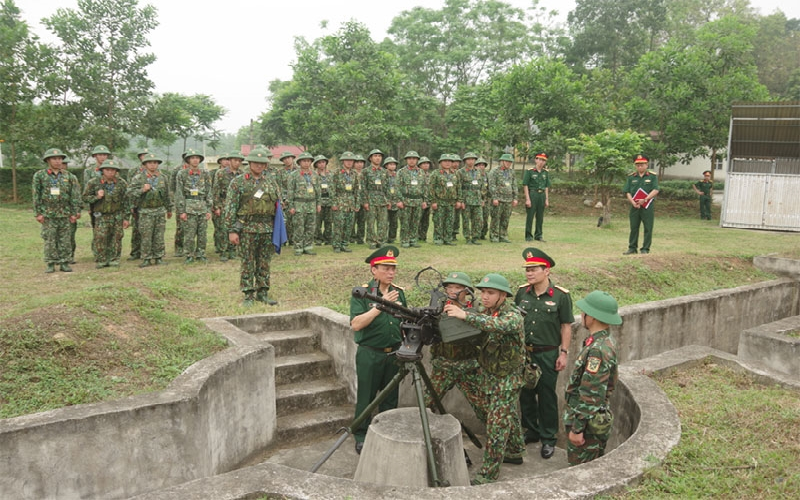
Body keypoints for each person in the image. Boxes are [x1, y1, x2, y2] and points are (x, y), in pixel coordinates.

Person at [444, 273, 526, 485]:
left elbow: (496, 325)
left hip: (508, 380)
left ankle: (488, 475)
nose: (485, 296)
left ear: (503, 296)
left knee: (496, 426)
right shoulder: (485, 310)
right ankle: (515, 450)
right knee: (505, 416)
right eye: (483, 292)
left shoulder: (512, 316)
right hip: (490, 376)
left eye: (491, 293)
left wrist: (465, 316)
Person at [513, 247, 574, 459]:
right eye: (527, 269)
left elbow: (566, 325)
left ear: (546, 270)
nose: (529, 273)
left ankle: (549, 437)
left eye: (534, 269)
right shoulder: (522, 292)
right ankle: (531, 431)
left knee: (547, 395)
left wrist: (563, 352)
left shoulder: (560, 296)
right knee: (526, 393)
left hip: (548, 354)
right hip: (524, 353)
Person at [349, 245, 406, 454]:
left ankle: (387, 432)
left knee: (391, 398)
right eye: (386, 268)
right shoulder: (362, 293)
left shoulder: (399, 293)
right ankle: (361, 434)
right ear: (374, 269)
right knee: (366, 397)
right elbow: (356, 324)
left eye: (393, 269)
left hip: (393, 354)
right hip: (370, 353)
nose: (391, 272)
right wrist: (380, 306)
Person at [564, 290, 621, 466]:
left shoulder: (597, 350)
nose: (581, 315)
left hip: (587, 425)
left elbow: (591, 393)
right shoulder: (601, 342)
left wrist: (577, 428)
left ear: (592, 317)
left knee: (581, 470)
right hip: (590, 419)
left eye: (584, 312)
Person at [224, 148, 282, 306]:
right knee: (247, 262)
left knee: (264, 261)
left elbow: (278, 204)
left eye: (262, 163)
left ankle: (262, 292)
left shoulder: (271, 182)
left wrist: (279, 229)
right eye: (256, 162)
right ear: (249, 163)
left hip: (267, 227)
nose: (259, 165)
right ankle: (248, 294)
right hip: (247, 227)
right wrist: (232, 230)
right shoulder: (238, 182)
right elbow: (230, 207)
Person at [425, 272, 485, 422]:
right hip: (443, 366)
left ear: (467, 290)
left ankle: (497, 442)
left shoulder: (477, 308)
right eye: (449, 287)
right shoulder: (438, 306)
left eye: (457, 287)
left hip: (468, 366)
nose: (452, 291)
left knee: (484, 408)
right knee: (426, 405)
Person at [32, 148, 82, 273]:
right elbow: (36, 195)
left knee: (65, 239)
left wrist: (74, 212)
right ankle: (50, 263)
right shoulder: (40, 176)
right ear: (48, 160)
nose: (58, 161)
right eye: (54, 158)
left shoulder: (70, 176)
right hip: (48, 214)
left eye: (60, 159)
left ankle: (64, 262)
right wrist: (38, 213)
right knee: (50, 239)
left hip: (65, 214)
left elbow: (75, 195)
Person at [82, 160, 130, 268]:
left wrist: (126, 218)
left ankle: (114, 259)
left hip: (117, 214)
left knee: (116, 237)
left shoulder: (122, 183)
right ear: (102, 171)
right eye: (107, 170)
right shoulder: (94, 182)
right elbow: (85, 197)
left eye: (113, 170)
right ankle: (101, 259)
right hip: (101, 215)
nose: (110, 172)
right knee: (100, 237)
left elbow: (127, 201)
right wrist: (96, 197)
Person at [128, 153, 172, 267]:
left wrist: (169, 208)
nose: (153, 165)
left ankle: (158, 257)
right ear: (145, 164)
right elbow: (130, 193)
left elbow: (167, 195)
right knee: (146, 235)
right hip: (145, 211)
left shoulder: (163, 178)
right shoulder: (138, 178)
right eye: (150, 163)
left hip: (159, 210)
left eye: (155, 163)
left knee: (159, 235)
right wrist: (142, 190)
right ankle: (146, 258)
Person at [175, 149, 213, 263]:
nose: (195, 160)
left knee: (202, 233)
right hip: (189, 206)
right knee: (189, 234)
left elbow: (209, 191)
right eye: (192, 158)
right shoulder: (182, 174)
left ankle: (201, 253)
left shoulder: (205, 173)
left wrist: (209, 209)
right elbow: (179, 193)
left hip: (202, 206)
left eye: (197, 158)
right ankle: (189, 255)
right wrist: (182, 211)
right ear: (188, 160)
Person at [286, 151, 321, 255]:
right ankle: (298, 247)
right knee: (299, 227)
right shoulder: (294, 175)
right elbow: (290, 191)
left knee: (310, 227)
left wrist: (318, 204)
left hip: (311, 204)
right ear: (300, 162)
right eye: (304, 161)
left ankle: (308, 246)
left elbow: (318, 191)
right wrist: (291, 206)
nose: (306, 163)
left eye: (308, 161)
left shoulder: (315, 175)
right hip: (299, 204)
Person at [623, 154, 659, 255]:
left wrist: (645, 199)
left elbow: (655, 190)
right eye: (637, 165)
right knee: (634, 227)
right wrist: (633, 202)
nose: (640, 167)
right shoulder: (631, 177)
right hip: (635, 206)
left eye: (642, 164)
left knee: (648, 227)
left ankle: (645, 249)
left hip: (647, 206)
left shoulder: (652, 176)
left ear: (647, 165)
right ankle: (632, 248)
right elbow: (627, 191)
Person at [213, 151, 245, 261]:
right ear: (230, 160)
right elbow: (216, 190)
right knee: (223, 228)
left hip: (238, 205)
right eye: (235, 160)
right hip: (224, 204)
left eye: (239, 161)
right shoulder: (220, 173)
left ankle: (233, 250)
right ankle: (223, 251)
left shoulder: (242, 173)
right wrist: (217, 206)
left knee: (236, 227)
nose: (237, 162)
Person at [397, 151, 427, 248]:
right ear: (406, 160)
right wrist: (399, 200)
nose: (412, 160)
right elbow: (397, 187)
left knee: (416, 221)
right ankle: (404, 240)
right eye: (409, 158)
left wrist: (425, 200)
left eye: (414, 158)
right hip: (406, 200)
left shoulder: (421, 172)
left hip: (418, 201)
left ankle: (413, 239)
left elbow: (425, 187)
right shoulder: (401, 172)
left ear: (417, 160)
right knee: (405, 222)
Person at [429, 154, 461, 246]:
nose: (447, 163)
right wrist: (433, 201)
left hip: (451, 202)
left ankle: (448, 238)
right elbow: (431, 188)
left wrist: (459, 200)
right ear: (440, 162)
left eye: (449, 161)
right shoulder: (435, 173)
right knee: (438, 221)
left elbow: (458, 187)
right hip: (439, 201)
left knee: (450, 221)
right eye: (445, 161)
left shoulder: (455, 173)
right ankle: (438, 238)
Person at [331, 151, 359, 253]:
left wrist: (357, 203)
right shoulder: (336, 173)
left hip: (351, 202)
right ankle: (336, 245)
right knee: (338, 225)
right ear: (343, 161)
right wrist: (334, 203)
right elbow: (332, 189)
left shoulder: (354, 174)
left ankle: (345, 244)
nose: (349, 162)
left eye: (351, 160)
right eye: (347, 160)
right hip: (339, 201)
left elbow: (357, 189)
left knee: (349, 225)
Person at [127, 148, 151, 261]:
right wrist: (131, 205)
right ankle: (135, 251)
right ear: (140, 157)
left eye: (148, 155)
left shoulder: (155, 171)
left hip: (150, 205)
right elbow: (130, 190)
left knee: (150, 230)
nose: (145, 157)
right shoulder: (133, 171)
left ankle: (148, 252)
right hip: (137, 204)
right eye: (143, 155)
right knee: (136, 229)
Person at [362, 149, 389, 249]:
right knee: (371, 222)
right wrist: (365, 201)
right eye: (375, 156)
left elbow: (387, 187)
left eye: (379, 156)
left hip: (382, 199)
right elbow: (363, 187)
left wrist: (388, 200)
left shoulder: (384, 172)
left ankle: (381, 240)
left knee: (383, 222)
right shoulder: (366, 171)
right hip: (371, 199)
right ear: (370, 158)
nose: (378, 158)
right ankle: (372, 241)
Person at [488, 153, 518, 243]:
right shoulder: (494, 171)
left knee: (506, 218)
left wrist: (515, 198)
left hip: (508, 199)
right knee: (496, 218)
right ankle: (494, 236)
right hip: (498, 199)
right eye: (507, 161)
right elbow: (492, 185)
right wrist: (495, 197)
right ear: (502, 161)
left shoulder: (511, 172)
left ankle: (503, 235)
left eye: (510, 162)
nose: (509, 163)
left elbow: (514, 185)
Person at [523, 152, 551, 242]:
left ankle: (538, 235)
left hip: (541, 195)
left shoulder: (545, 172)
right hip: (533, 194)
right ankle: (528, 236)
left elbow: (546, 186)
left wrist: (546, 199)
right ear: (536, 160)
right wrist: (527, 199)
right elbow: (525, 185)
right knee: (530, 216)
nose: (541, 162)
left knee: (540, 216)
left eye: (543, 160)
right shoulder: (529, 171)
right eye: (540, 159)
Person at [456, 152, 484, 245]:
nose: (471, 161)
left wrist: (482, 199)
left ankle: (475, 237)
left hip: (477, 199)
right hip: (466, 199)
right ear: (465, 161)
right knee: (466, 220)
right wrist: (461, 200)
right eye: (468, 159)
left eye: (472, 159)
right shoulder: (460, 172)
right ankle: (467, 237)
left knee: (478, 219)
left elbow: (482, 186)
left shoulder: (478, 171)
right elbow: (458, 187)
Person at [212, 152, 231, 255]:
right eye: (224, 160)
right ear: (220, 161)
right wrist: (215, 206)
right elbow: (214, 190)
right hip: (221, 202)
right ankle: (220, 247)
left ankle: (231, 248)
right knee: (220, 228)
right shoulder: (216, 173)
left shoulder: (238, 173)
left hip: (232, 203)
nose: (226, 162)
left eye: (228, 160)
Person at [277, 151, 297, 245]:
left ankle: (293, 240)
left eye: (289, 158)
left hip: (296, 199)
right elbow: (278, 187)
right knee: (284, 221)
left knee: (295, 221)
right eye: (284, 159)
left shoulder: (299, 171)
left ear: (293, 158)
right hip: (285, 199)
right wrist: (281, 200)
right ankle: (284, 240)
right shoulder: (280, 172)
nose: (287, 160)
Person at [314, 155, 333, 245]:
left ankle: (328, 238)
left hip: (329, 201)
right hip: (319, 201)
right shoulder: (313, 175)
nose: (321, 164)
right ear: (316, 164)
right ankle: (318, 238)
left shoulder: (331, 174)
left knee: (328, 221)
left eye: (323, 162)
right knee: (318, 221)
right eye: (319, 163)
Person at [383, 156, 401, 244]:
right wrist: (386, 201)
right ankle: (382, 238)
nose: (393, 166)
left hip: (396, 202)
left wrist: (399, 200)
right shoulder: (383, 175)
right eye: (390, 164)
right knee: (384, 222)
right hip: (385, 202)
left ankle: (392, 238)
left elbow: (400, 189)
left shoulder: (398, 175)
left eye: (394, 164)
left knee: (394, 222)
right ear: (386, 165)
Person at [417, 156, 433, 242]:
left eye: (427, 163)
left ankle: (423, 236)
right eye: (423, 163)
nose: (426, 165)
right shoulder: (417, 175)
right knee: (417, 219)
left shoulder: (430, 176)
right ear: (419, 165)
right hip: (420, 201)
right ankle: (416, 235)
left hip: (429, 200)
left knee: (426, 220)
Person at [352, 154, 367, 244]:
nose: (359, 164)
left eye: (361, 162)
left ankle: (360, 238)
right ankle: (352, 237)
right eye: (357, 162)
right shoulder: (351, 173)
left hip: (364, 200)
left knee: (362, 220)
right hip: (353, 200)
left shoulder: (366, 173)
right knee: (352, 220)